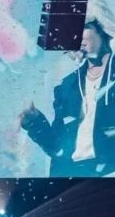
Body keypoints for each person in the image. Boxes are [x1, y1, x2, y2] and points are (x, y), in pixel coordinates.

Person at [20, 19, 115, 176]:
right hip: (67, 177)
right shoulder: (65, 87)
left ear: (101, 28)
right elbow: (57, 147)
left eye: (82, 28)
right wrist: (33, 122)